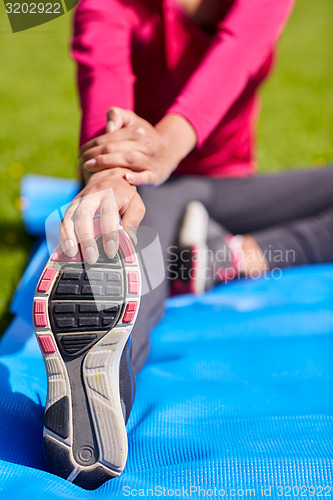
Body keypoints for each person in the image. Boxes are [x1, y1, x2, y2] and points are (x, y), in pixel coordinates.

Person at [35, 0, 333, 489]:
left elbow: (235, 56)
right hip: (140, 187)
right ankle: (98, 398)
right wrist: (113, 176)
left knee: (137, 254)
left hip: (220, 186)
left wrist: (164, 148)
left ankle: (228, 256)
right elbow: (104, 78)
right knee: (127, 256)